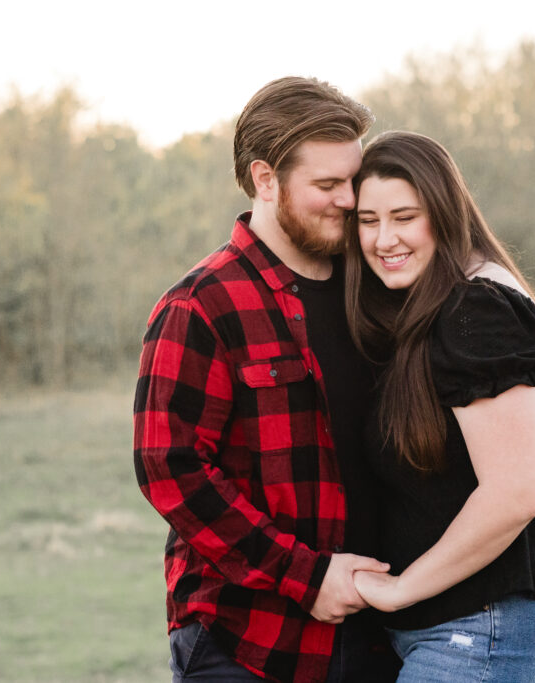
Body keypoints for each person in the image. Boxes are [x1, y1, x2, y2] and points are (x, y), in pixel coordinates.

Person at [133, 77, 400, 683]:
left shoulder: (379, 291)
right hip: (248, 641)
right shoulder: (202, 303)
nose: (349, 200)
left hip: (381, 635)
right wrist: (305, 578)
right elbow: (168, 467)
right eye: (327, 185)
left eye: (352, 181)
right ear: (264, 179)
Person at [344, 130, 535, 682]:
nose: (384, 238)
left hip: (495, 631)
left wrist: (398, 591)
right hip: (465, 631)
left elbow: (515, 494)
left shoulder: (477, 309)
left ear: (443, 213)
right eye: (368, 221)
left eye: (404, 217)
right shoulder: (436, 310)